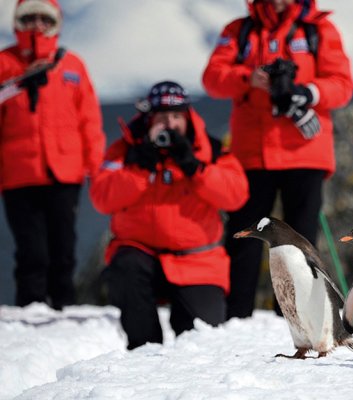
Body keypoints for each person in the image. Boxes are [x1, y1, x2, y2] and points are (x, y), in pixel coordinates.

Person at [202, 0, 353, 319]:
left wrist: (307, 93)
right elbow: (213, 78)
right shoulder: (239, 31)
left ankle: (293, 318)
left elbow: (342, 84)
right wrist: (249, 78)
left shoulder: (318, 30)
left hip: (304, 153)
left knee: (298, 242)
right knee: (244, 239)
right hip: (252, 154)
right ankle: (235, 318)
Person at [89, 81, 249, 349]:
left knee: (202, 340)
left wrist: (195, 169)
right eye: (162, 117)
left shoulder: (210, 150)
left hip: (198, 261)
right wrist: (140, 168)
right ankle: (144, 351)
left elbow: (236, 196)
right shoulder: (126, 151)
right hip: (140, 256)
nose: (170, 125)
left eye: (176, 117)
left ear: (188, 118)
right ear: (149, 120)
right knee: (125, 267)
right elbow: (101, 197)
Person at [0, 0, 104, 309]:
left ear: (55, 22)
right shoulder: (4, 64)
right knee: (31, 252)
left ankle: (64, 309)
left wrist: (96, 169)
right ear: (18, 22)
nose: (37, 24)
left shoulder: (72, 65)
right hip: (17, 175)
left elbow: (90, 121)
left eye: (43, 18)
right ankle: (29, 314)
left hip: (65, 173)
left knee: (64, 249)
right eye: (29, 18)